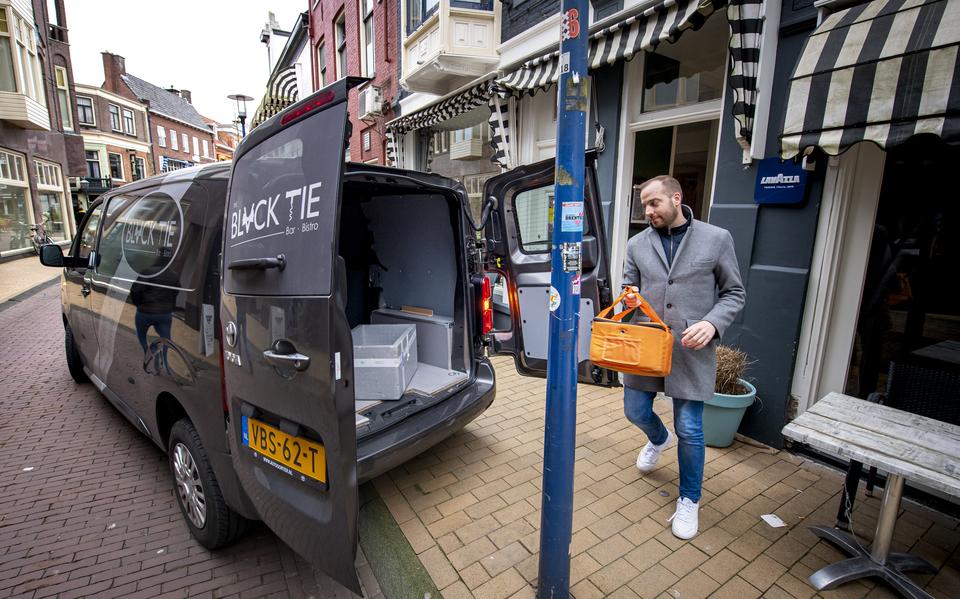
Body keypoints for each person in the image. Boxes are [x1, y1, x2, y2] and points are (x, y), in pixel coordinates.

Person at [621, 175, 745, 539]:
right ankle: (658, 439)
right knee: (635, 411)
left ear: (676, 198)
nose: (648, 211)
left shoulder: (716, 238)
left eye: (654, 203)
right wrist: (627, 303)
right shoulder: (636, 244)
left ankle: (689, 500)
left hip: (692, 348)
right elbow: (629, 289)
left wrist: (712, 324)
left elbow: (734, 293)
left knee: (690, 429)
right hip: (646, 344)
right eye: (644, 204)